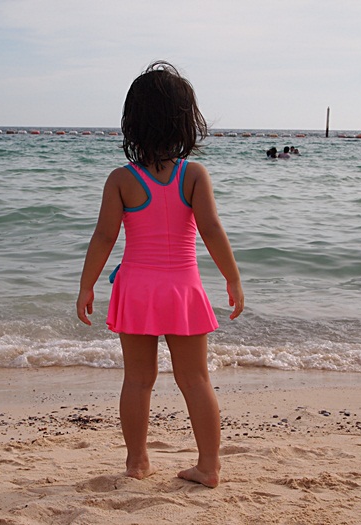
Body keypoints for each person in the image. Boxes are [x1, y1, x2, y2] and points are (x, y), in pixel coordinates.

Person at [76, 61, 244, 488]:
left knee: (137, 380)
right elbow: (211, 229)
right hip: (183, 288)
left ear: (132, 122)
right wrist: (233, 278)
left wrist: (86, 285)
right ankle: (209, 466)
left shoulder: (121, 180)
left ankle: (137, 462)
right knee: (196, 380)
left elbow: (104, 236)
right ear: (185, 122)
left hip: (136, 288)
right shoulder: (194, 175)